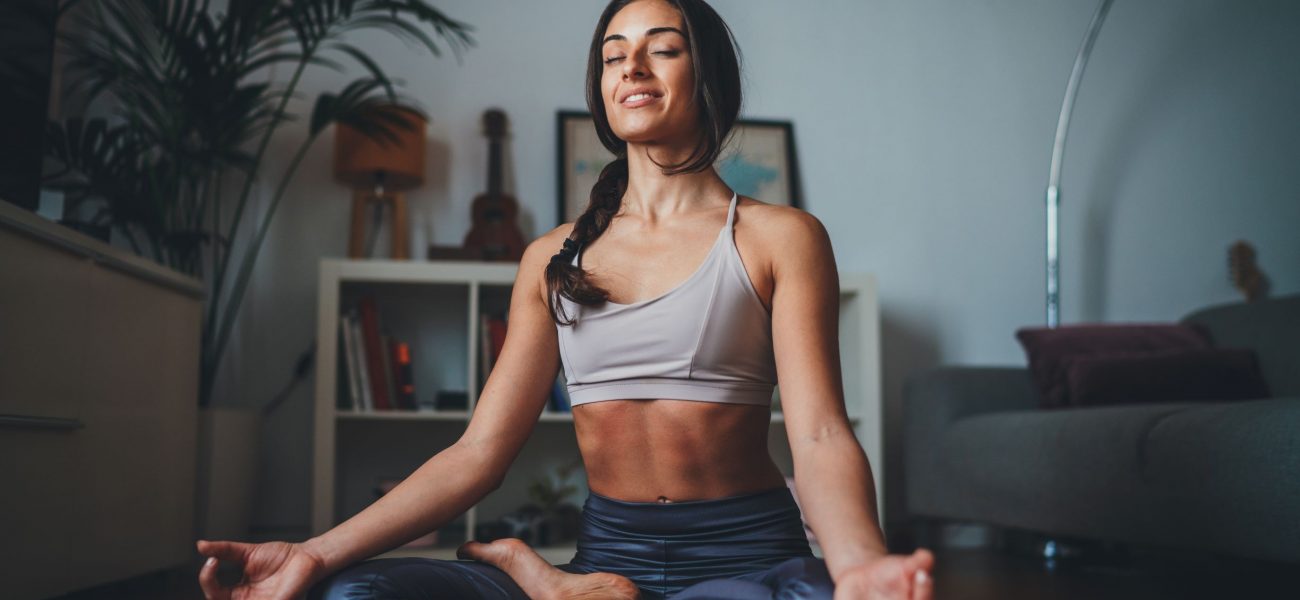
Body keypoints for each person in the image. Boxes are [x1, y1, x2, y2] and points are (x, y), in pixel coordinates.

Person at [195, 0, 935, 598]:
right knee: (354, 596)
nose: (632, 66)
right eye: (614, 54)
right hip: (607, 554)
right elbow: (478, 454)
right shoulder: (551, 258)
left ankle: (553, 587)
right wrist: (314, 554)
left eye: (661, 48)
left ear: (708, 73)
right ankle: (565, 587)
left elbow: (821, 437)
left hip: (744, 557)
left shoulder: (780, 237)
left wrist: (860, 563)